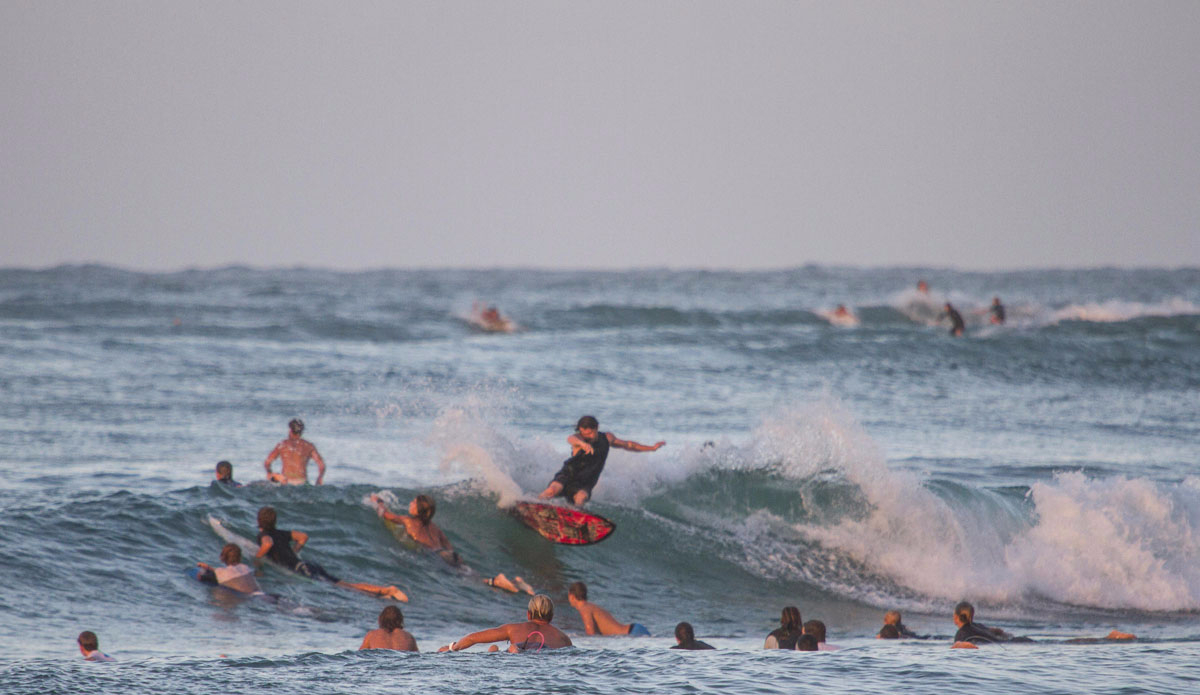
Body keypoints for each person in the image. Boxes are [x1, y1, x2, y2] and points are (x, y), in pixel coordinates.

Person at [370, 493, 533, 594]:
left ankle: (496, 581)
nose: (410, 504)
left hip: (435, 555)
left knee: (467, 579)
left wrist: (378, 501)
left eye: (413, 503)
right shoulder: (435, 527)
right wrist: (452, 557)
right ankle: (515, 582)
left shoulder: (407, 520)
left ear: (418, 509)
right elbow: (448, 545)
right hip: (448, 554)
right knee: (470, 573)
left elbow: (386, 515)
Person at [255, 506, 407, 601]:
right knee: (344, 584)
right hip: (307, 565)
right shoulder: (281, 532)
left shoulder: (264, 535)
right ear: (274, 521)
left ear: (259, 521)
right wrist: (294, 552)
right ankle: (382, 593)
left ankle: (386, 590)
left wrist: (257, 558)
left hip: (301, 569)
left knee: (345, 587)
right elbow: (303, 537)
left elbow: (268, 543)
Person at [538, 415, 666, 506]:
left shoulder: (607, 438)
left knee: (581, 498)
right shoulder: (579, 439)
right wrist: (582, 444)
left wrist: (651, 448)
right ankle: (534, 504)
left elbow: (629, 445)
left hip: (585, 482)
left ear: (597, 428)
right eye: (583, 433)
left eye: (590, 433)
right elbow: (571, 439)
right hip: (568, 474)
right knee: (552, 490)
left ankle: (576, 519)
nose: (586, 436)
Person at [438, 594, 572, 652]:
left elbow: (473, 638)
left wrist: (452, 648)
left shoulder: (512, 629)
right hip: (545, 657)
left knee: (494, 649)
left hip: (517, 659)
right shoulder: (564, 638)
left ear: (528, 614)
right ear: (552, 616)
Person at [567, 581, 650, 636]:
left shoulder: (584, 609)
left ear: (572, 596)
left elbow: (591, 635)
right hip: (634, 629)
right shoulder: (591, 606)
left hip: (631, 634)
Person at [263, 418, 326, 485]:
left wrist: (269, 472)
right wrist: (320, 478)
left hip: (286, 482)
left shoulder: (282, 445)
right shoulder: (309, 446)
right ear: (301, 431)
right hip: (301, 481)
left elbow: (267, 463)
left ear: (290, 430)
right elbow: (321, 465)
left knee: (271, 477)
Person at [197, 543, 264, 595]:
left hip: (249, 597)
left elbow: (200, 577)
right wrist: (208, 567)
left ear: (222, 557)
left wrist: (202, 571)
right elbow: (231, 572)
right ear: (239, 557)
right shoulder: (245, 567)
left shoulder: (220, 572)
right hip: (261, 594)